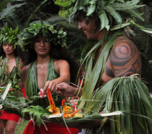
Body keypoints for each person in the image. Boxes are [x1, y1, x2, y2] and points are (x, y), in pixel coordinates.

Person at [54, 0, 152, 133]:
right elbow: (103, 94)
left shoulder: (121, 50)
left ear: (100, 17)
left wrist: (86, 120)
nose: (79, 26)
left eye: (82, 20)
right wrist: (75, 91)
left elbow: (128, 105)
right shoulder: (98, 49)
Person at [19, 22, 79, 134]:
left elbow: (65, 77)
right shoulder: (26, 69)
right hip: (39, 123)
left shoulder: (61, 64)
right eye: (38, 41)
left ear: (52, 43)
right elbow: (27, 96)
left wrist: (55, 82)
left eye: (46, 40)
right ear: (32, 44)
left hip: (60, 122)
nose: (42, 44)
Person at [0, 26, 22, 134]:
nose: (7, 47)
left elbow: (22, 82)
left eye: (10, 44)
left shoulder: (20, 62)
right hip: (1, 98)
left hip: (15, 98)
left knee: (10, 129)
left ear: (15, 45)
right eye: (5, 44)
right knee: (2, 128)